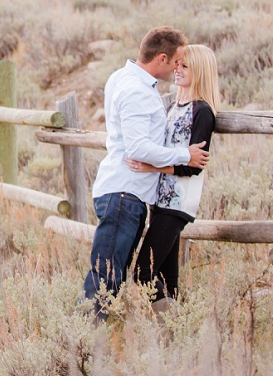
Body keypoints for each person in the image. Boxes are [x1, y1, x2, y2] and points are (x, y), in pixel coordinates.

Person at [83, 27, 210, 321]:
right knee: (104, 281)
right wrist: (184, 155)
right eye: (177, 61)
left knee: (110, 280)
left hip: (125, 193)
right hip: (125, 194)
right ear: (162, 59)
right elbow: (138, 147)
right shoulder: (137, 91)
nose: (179, 67)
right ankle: (79, 349)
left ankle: (91, 347)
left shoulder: (121, 78)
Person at [128, 43, 219, 306]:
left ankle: (171, 324)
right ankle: (177, 335)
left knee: (143, 272)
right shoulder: (174, 106)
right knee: (168, 280)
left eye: (185, 66)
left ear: (199, 71)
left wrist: (151, 167)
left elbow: (193, 166)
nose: (177, 69)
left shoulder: (202, 112)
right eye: (177, 64)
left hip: (178, 203)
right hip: (160, 202)